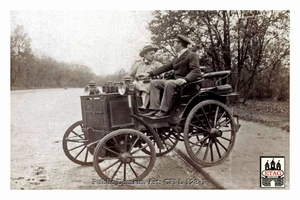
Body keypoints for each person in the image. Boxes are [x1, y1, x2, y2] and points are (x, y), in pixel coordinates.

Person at [139, 34, 202, 117]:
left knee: (169, 83)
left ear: (180, 44)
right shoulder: (177, 57)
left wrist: (185, 79)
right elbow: (166, 67)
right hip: (176, 82)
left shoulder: (191, 55)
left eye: (174, 43)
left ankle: (164, 110)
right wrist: (149, 73)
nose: (173, 45)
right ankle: (155, 109)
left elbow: (196, 71)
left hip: (187, 84)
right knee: (154, 83)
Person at [127, 45, 162, 111]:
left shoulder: (158, 64)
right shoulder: (138, 64)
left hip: (150, 83)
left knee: (147, 86)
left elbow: (162, 76)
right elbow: (130, 75)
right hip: (137, 83)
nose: (153, 55)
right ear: (145, 55)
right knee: (127, 88)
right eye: (151, 53)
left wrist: (150, 76)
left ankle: (144, 105)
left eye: (154, 53)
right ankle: (129, 108)